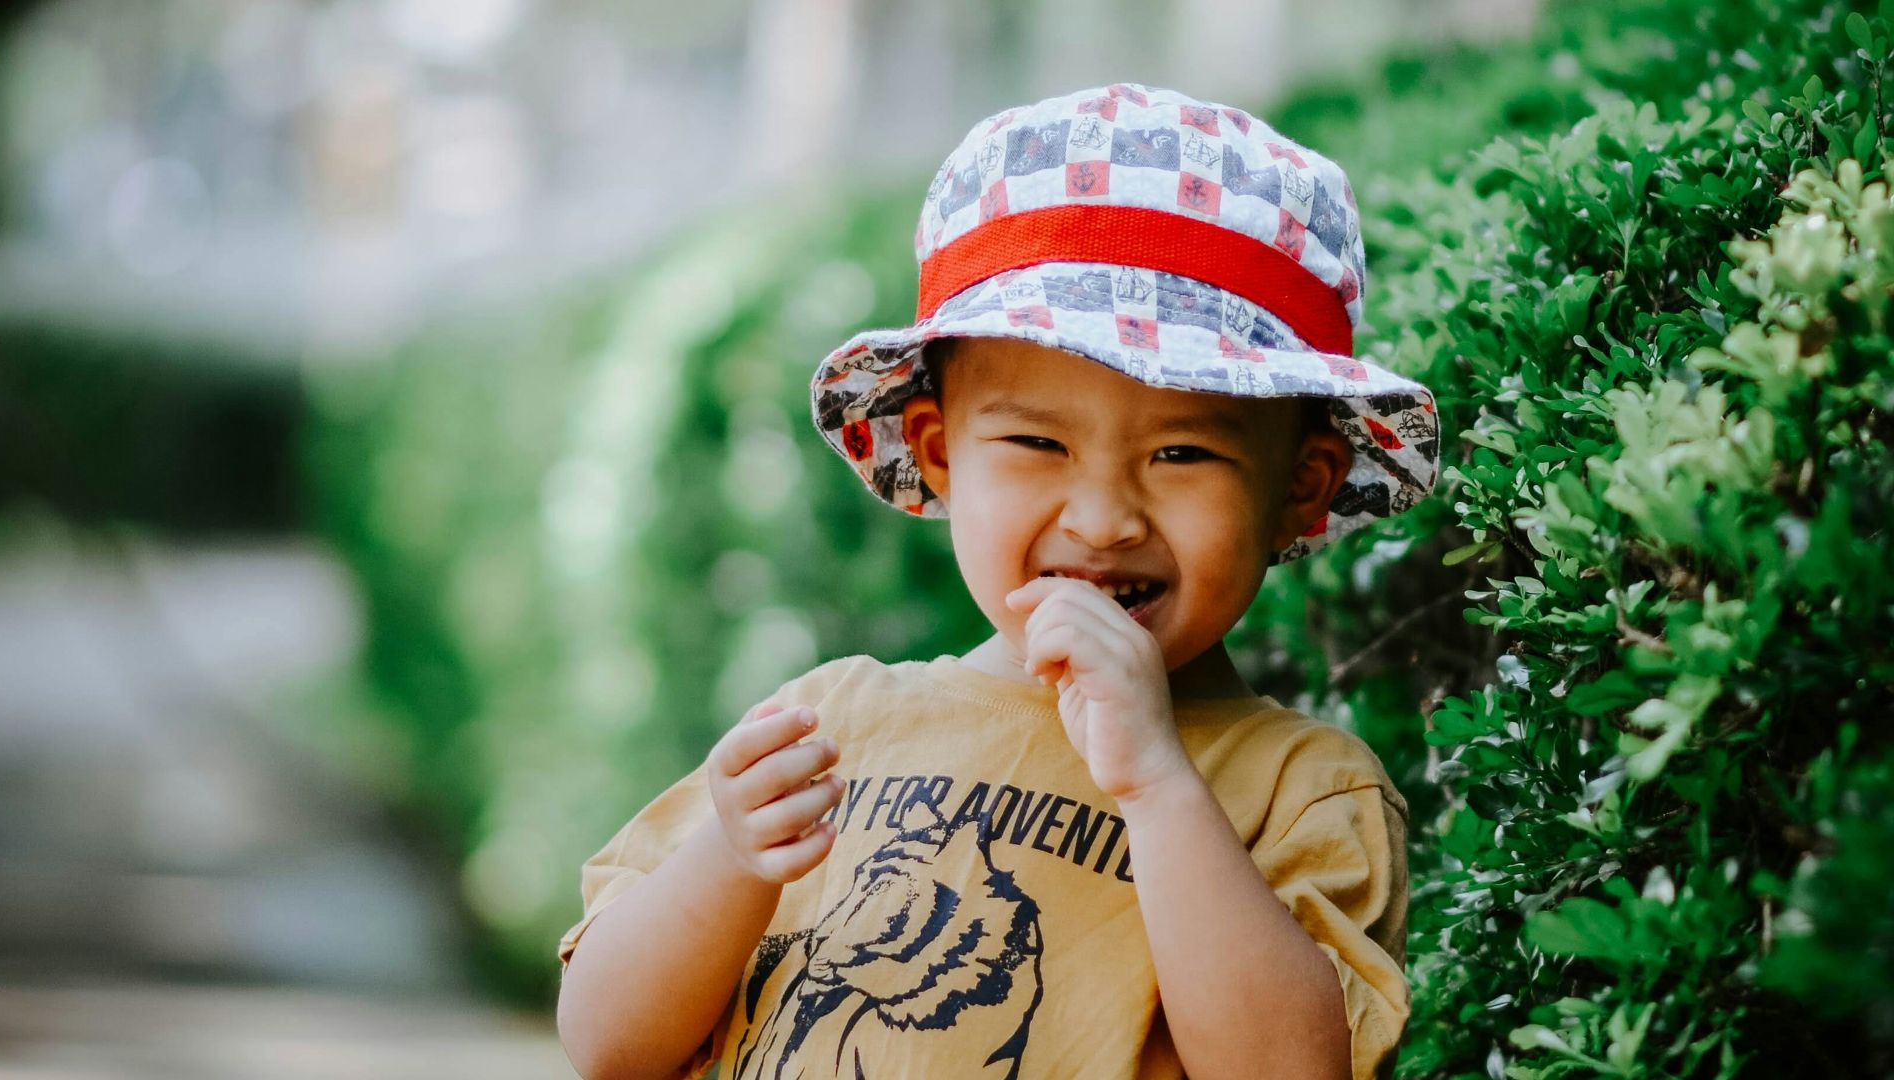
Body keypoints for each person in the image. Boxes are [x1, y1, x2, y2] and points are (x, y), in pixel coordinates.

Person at [555, 83, 1441, 1080]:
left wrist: (1157, 784)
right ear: (938, 456)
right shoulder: (830, 724)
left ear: (1300, 487)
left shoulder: (1299, 788)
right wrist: (729, 858)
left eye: (1183, 454)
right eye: (1035, 443)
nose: (1104, 519)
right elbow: (605, 1043)